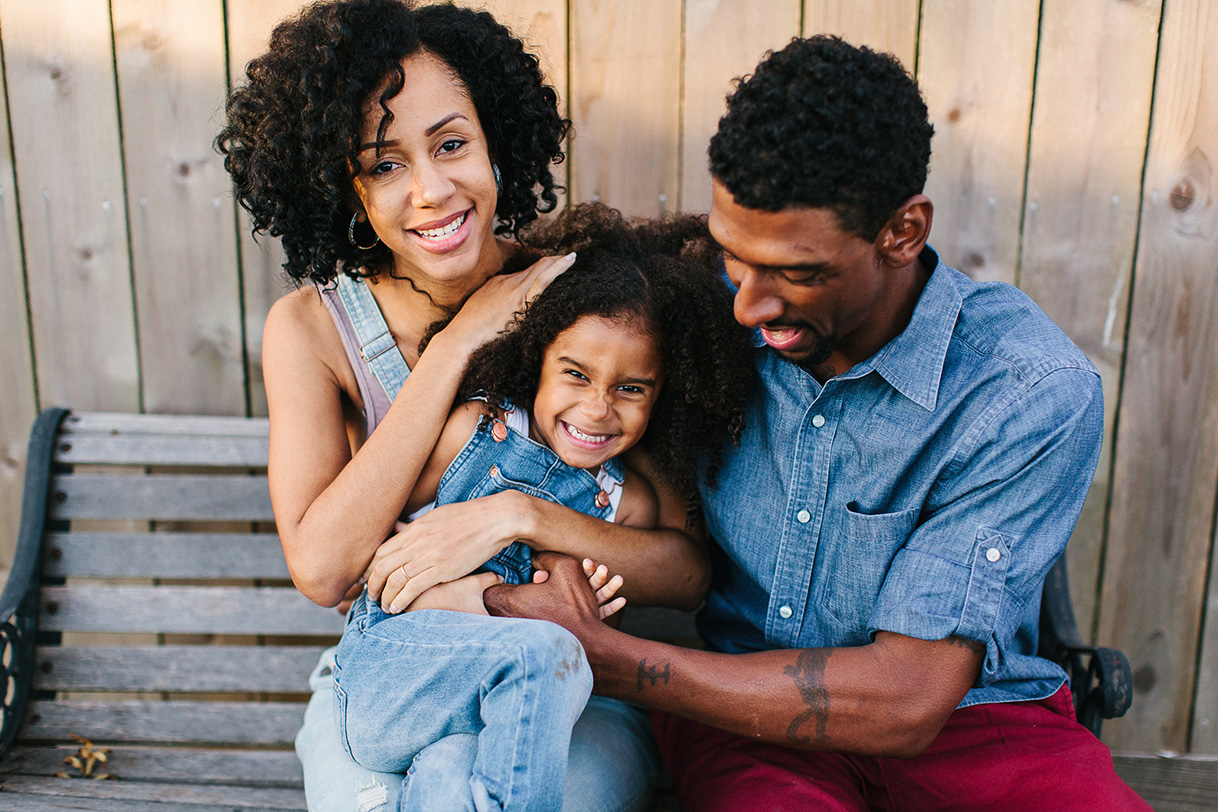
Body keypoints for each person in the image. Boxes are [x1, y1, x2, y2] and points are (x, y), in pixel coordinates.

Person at [484, 36, 1152, 811]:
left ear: (902, 232)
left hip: (975, 725)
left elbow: (907, 699)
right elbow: (558, 419)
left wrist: (606, 656)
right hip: (742, 717)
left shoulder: (1027, 387)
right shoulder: (694, 310)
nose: (746, 306)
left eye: (797, 274)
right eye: (735, 255)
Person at [216, 2, 708, 810]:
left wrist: (520, 515)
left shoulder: (580, 300)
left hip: (574, 677)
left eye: (451, 144)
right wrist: (456, 347)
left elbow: (685, 571)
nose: (431, 190)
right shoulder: (312, 330)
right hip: (397, 673)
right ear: (343, 186)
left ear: (496, 142)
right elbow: (325, 565)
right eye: (384, 164)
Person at [335, 206, 752, 812]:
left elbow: (687, 574)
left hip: (496, 727)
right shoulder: (473, 435)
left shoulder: (622, 498)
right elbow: (361, 562)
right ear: (537, 362)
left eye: (631, 388)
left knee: (451, 778)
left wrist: (536, 531)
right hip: (397, 677)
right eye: (575, 375)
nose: (598, 408)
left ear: (665, 394)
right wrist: (481, 601)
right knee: (547, 650)